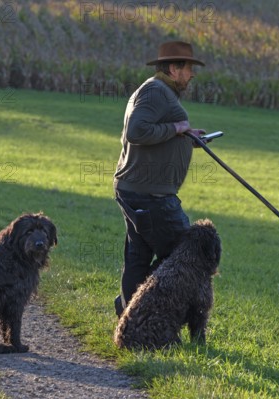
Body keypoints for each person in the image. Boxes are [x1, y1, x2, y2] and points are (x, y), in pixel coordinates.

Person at [113, 41, 207, 316]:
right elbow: (136, 130)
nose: (192, 75)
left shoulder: (158, 91)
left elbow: (154, 134)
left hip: (140, 190)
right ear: (174, 68)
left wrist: (186, 138)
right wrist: (177, 127)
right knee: (187, 252)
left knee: (138, 258)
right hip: (150, 195)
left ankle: (130, 315)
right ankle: (137, 306)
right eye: (189, 69)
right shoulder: (156, 91)